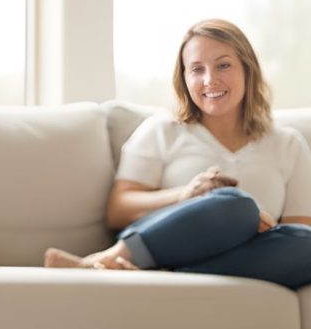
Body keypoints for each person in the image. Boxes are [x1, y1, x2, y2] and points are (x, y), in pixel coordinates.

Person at [44, 19, 311, 289]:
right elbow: (118, 210)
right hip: (163, 242)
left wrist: (253, 225)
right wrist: (184, 196)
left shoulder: (288, 144)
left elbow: (298, 231)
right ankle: (110, 258)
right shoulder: (163, 130)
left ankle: (167, 276)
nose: (210, 80)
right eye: (197, 69)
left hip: (247, 256)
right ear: (184, 78)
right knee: (236, 206)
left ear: (247, 69)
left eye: (223, 65)